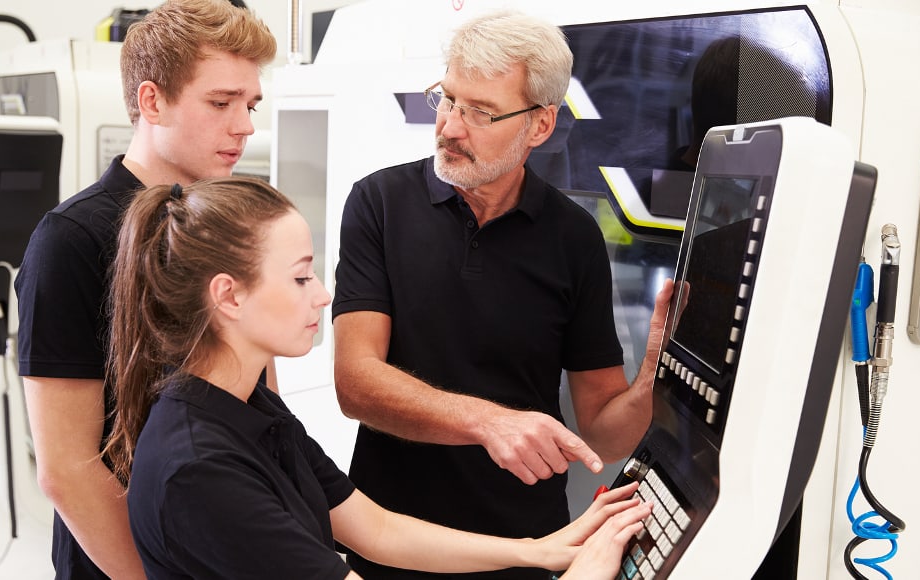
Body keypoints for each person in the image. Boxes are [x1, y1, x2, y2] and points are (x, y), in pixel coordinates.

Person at [103, 176, 654, 579]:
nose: (321, 294)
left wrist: (538, 549)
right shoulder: (199, 470)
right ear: (229, 295)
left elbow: (378, 530)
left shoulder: (251, 409)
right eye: (300, 277)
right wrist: (591, 572)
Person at [332, 10, 674, 579]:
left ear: (540, 126)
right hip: (389, 539)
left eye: (481, 112)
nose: (449, 127)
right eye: (447, 99)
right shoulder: (379, 203)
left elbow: (605, 431)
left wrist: (651, 381)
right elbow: (356, 383)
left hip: (526, 547)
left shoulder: (573, 237)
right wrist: (490, 422)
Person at [14, 1, 276, 578]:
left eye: (250, 104)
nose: (246, 125)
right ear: (153, 101)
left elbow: (262, 404)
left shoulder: (232, 227)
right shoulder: (72, 241)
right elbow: (68, 467)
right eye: (221, 102)